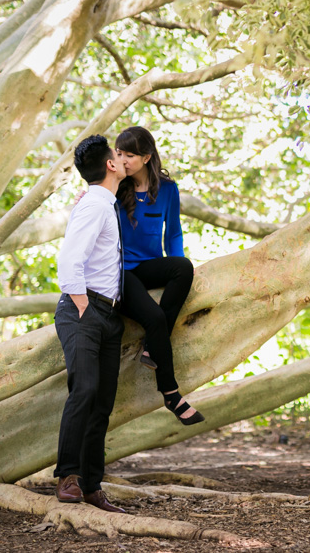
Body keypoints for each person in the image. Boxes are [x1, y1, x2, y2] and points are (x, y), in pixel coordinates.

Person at [53, 135, 127, 513]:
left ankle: (92, 485)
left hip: (108, 315)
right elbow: (69, 262)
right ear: (111, 165)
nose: (122, 157)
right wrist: (84, 308)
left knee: (102, 403)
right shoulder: (95, 206)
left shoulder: (103, 202)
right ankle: (68, 477)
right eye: (118, 153)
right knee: (84, 391)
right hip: (85, 310)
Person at [115, 126, 204, 426]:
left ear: (146, 157)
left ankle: (155, 344)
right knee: (153, 317)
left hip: (149, 266)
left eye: (129, 155)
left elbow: (174, 234)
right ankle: (171, 394)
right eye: (119, 153)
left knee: (183, 266)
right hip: (119, 271)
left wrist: (174, 264)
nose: (122, 159)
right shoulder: (113, 186)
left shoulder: (168, 190)